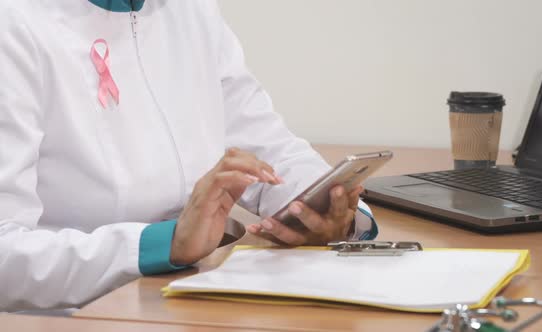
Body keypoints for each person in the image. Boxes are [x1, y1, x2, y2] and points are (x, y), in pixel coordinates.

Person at [0, 0, 378, 312]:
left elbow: (264, 143)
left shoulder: (191, 10)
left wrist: (332, 211)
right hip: (76, 315)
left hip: (187, 298)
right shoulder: (15, 24)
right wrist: (163, 244)